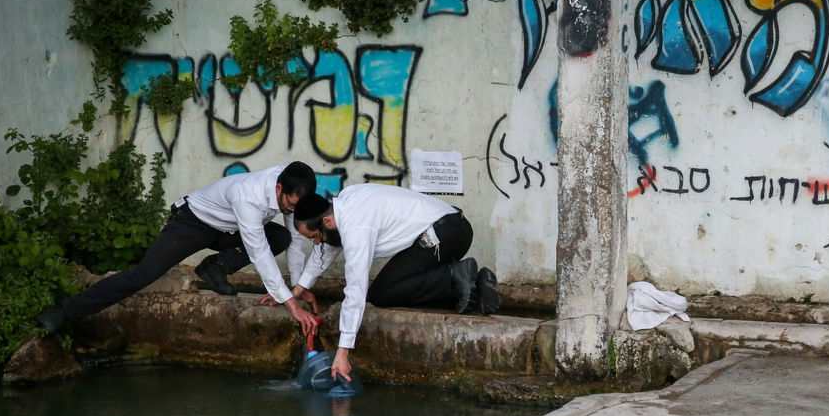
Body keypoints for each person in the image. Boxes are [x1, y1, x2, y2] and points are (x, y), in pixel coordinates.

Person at [36, 162, 321, 335]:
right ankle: (63, 312)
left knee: (281, 237)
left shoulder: (290, 188)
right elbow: (257, 251)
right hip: (193, 223)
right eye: (289, 205)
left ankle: (214, 268)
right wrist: (290, 304)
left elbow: (296, 239)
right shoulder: (250, 197)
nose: (290, 210)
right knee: (142, 275)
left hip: (227, 230)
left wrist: (297, 287)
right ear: (279, 188)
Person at [288, 185, 500, 382]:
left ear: (327, 222)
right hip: (451, 228)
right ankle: (475, 292)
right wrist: (296, 291)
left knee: (383, 293)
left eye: (315, 237)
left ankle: (454, 276)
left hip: (446, 234)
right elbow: (325, 250)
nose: (316, 243)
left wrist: (342, 352)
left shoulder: (356, 226)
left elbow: (356, 289)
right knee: (387, 288)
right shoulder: (342, 205)